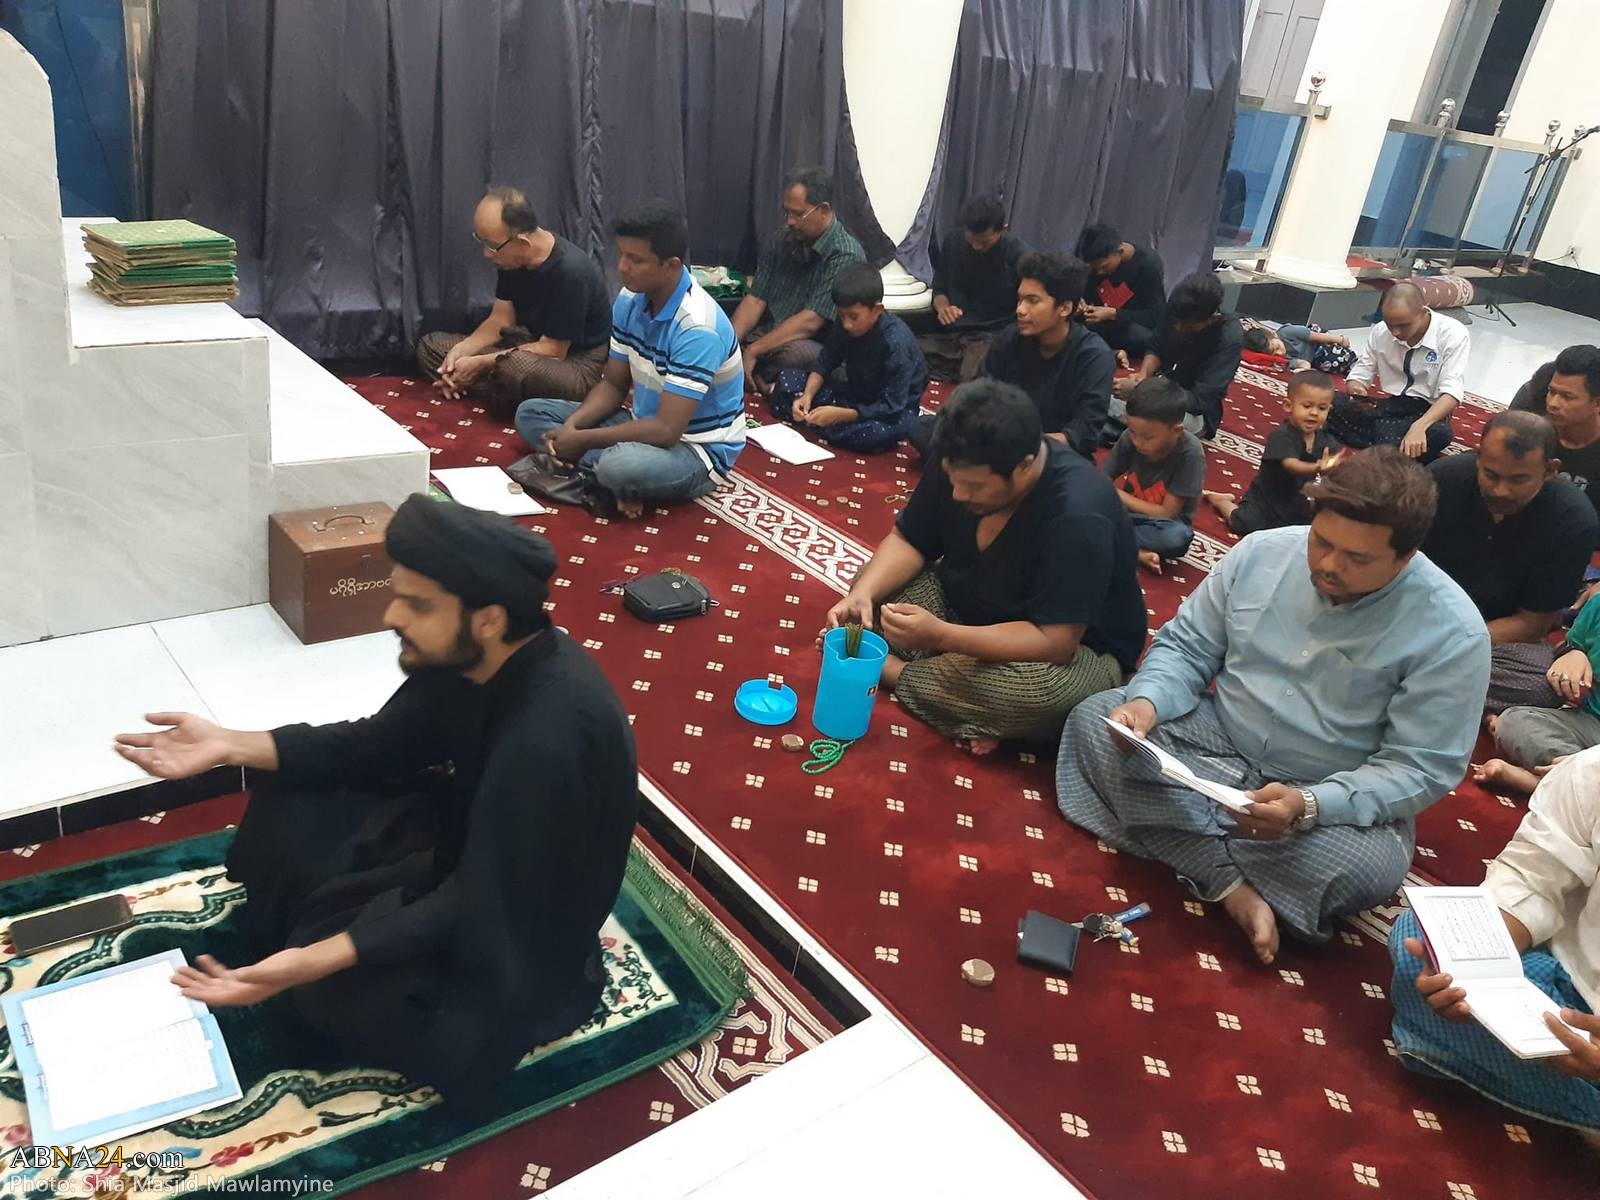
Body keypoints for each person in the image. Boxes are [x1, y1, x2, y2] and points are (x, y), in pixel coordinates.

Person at [112, 496, 639, 1109]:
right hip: (469, 842)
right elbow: (379, 745)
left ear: (489, 618)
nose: (391, 616)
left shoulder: (550, 735)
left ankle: (314, 952)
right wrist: (230, 744)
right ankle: (311, 933)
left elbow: (481, 898)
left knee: (352, 997)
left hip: (521, 922)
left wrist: (311, 963)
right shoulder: (469, 658)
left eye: (416, 605)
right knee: (294, 787)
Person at [1057, 448, 1490, 964]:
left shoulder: (1453, 632)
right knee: (1096, 718)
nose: (1328, 565)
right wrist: (1146, 705)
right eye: (1321, 541)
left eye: (1357, 559)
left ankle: (1177, 836)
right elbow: (1188, 648)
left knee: (1367, 867)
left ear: (1407, 556)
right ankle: (1227, 882)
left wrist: (1309, 806)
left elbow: (1419, 767)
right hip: (1216, 736)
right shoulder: (1263, 553)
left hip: (1325, 786)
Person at [821, 379, 1145, 756]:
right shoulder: (960, 459)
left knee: (1033, 695)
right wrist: (863, 595)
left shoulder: (1079, 514)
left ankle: (896, 671)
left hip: (1069, 653)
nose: (959, 495)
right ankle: (957, 690)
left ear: (1024, 468)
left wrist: (940, 636)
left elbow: (1054, 643)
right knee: (873, 586)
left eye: (975, 488)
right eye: (954, 481)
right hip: (966, 604)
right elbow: (910, 539)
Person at [1390, 747, 1600, 1136]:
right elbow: (1531, 879)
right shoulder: (1593, 772)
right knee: (1419, 941)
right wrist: (1470, 964)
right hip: (1571, 993)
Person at [513, 200, 746, 516]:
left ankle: (611, 478)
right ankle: (618, 483)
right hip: (641, 424)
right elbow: (613, 385)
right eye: (621, 254)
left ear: (671, 266)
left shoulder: (698, 328)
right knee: (530, 414)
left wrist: (584, 441)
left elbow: (666, 430)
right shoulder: (629, 299)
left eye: (636, 260)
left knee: (619, 466)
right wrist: (573, 428)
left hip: (695, 449)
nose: (622, 267)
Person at [1421, 411, 1596, 715]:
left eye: (1519, 480)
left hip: (1492, 634)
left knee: (1544, 686)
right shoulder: (1441, 480)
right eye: (1491, 475)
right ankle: (1429, 683)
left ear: (1550, 471)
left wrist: (1448, 643)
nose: (1501, 491)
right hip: (1420, 609)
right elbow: (1397, 561)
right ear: (1478, 457)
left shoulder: (1573, 520)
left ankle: (1403, 674)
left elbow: (1532, 623)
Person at [417, 186, 613, 413]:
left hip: (576, 364)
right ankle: (489, 387)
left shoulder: (571, 272)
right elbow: (500, 320)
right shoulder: (510, 260)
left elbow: (553, 350)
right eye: (481, 241)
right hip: (528, 346)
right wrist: (463, 350)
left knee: (513, 368)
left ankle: (488, 386)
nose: (486, 254)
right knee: (430, 347)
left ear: (522, 243)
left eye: (492, 246)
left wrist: (479, 364)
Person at [955, 250, 1114, 460]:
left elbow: (1082, 435)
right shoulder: (1009, 339)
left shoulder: (1093, 357)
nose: (1020, 309)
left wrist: (1017, 445)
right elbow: (980, 398)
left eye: (1032, 301)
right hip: (1000, 445)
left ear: (1064, 308)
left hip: (1055, 457)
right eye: (1020, 299)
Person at [766, 263, 927, 454]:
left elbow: (892, 406)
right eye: (842, 316)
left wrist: (841, 415)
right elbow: (826, 361)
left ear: (877, 310)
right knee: (787, 380)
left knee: (872, 434)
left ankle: (828, 423)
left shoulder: (896, 343)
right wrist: (807, 396)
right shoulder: (844, 324)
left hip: (889, 411)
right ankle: (823, 420)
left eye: (853, 317)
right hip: (853, 392)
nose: (847, 324)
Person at [730, 166, 866, 392]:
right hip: (769, 334)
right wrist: (727, 346)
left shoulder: (845, 254)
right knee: (720, 334)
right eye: (787, 213)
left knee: (795, 355)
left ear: (823, 210)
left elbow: (811, 321)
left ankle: (763, 377)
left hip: (814, 342)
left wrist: (754, 350)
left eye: (798, 214)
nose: (790, 221)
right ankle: (762, 378)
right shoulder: (780, 240)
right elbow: (755, 300)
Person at [1327, 281, 1467, 461]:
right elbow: (1362, 369)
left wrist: (1420, 426)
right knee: (1326, 402)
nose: (1395, 332)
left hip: (1427, 413)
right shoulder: (1380, 331)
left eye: (1403, 325)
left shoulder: (1453, 334)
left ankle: (1384, 442)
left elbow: (1452, 392)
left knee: (1440, 433)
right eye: (1389, 324)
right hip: (1389, 408)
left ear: (1423, 312)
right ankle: (1388, 446)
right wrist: (1357, 387)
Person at [1479, 592, 1600, 794]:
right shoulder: (1596, 606)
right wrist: (1573, 653)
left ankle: (1556, 783)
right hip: (1591, 725)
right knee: (1513, 721)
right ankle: (1571, 782)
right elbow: (1569, 645)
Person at [1203, 369, 1343, 536]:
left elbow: (1332, 469)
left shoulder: (1326, 441)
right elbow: (1291, 465)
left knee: (1311, 530)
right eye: (1307, 406)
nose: (1314, 413)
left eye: (1322, 408)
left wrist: (1334, 468)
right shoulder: (1281, 435)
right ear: (1288, 405)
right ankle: (1222, 502)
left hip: (1297, 501)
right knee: (1245, 524)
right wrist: (1317, 468)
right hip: (1266, 499)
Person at [1113, 272, 1243, 439]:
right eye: (1176, 323)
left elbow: (1199, 401)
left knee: (1138, 413)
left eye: (1188, 327)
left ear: (1212, 319)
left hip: (1191, 412)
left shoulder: (1229, 338)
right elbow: (1157, 344)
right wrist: (1142, 376)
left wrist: (1143, 391)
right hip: (1161, 386)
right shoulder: (1177, 308)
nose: (1178, 328)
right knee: (1105, 389)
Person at [918, 194, 1030, 382]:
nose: (977, 246)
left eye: (985, 242)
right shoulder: (953, 241)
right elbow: (940, 287)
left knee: (973, 374)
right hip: (954, 333)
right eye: (971, 240)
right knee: (909, 352)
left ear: (1003, 230)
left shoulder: (1019, 254)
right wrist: (944, 308)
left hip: (994, 334)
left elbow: (1035, 299)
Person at [1102, 376, 1207, 572]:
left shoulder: (1190, 453)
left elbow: (1166, 513)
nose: (1137, 442)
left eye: (1147, 437)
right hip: (1123, 515)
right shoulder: (1129, 438)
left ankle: (1111, 541)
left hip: (1159, 525)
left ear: (1176, 431)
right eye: (1132, 432)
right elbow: (1102, 480)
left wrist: (1114, 494)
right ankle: (1132, 550)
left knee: (1177, 538)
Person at [1510, 344, 1600, 530]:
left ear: (1597, 403)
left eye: (1568, 397)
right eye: (1552, 392)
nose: (1553, 403)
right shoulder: (1531, 431)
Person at [1075, 223, 1166, 362]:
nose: (1099, 272)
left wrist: (1114, 314)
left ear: (1120, 251)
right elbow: (1084, 294)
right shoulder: (1094, 266)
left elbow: (1155, 316)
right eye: (1094, 268)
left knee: (1142, 337)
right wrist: (1080, 303)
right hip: (1098, 325)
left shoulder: (1148, 266)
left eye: (1104, 267)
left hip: (1127, 327)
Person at [1240, 324, 1353, 374]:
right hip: (1316, 357)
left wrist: (1340, 340)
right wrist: (1303, 370)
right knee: (1330, 364)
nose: (1280, 353)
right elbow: (1303, 363)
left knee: (1336, 354)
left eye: (1277, 347)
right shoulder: (1281, 360)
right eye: (1274, 354)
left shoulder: (1287, 332)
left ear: (1274, 335)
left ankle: (1352, 360)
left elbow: (1315, 336)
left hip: (1317, 341)